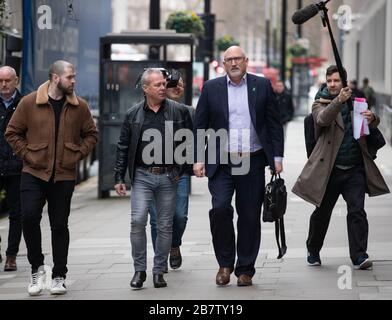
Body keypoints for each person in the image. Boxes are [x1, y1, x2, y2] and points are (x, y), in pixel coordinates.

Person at [193, 46, 284, 287]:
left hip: (252, 159)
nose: (233, 63)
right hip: (221, 161)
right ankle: (225, 264)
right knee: (220, 209)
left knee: (249, 215)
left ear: (245, 61)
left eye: (237, 59)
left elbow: (274, 123)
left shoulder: (261, 85)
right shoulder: (211, 88)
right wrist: (197, 158)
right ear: (224, 64)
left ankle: (245, 268)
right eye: (229, 60)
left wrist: (277, 157)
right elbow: (199, 124)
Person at [5, 60, 98, 296]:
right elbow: (12, 132)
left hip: (64, 175)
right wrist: (27, 155)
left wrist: (77, 153)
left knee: (59, 225)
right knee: (28, 218)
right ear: (56, 78)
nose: (74, 81)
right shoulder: (29, 103)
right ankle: (37, 269)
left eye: (74, 76)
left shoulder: (80, 107)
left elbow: (91, 134)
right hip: (33, 173)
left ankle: (59, 276)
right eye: (70, 77)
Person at [292, 65, 390, 270]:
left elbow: (368, 124)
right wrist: (339, 100)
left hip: (354, 167)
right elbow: (322, 119)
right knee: (322, 213)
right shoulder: (320, 102)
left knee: (357, 211)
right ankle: (313, 249)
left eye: (337, 80)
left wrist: (373, 119)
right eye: (330, 81)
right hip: (330, 169)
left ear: (344, 81)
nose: (333, 84)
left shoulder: (356, 101)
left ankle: (359, 255)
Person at [114, 68, 193, 289]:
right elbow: (123, 146)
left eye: (164, 83)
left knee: (166, 225)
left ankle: (159, 271)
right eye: (157, 84)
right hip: (142, 176)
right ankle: (139, 271)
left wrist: (181, 169)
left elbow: (190, 141)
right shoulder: (133, 114)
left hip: (169, 175)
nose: (163, 87)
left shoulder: (178, 111)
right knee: (138, 220)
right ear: (145, 88)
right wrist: (119, 176)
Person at [149, 77, 194, 271]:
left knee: (179, 215)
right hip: (151, 172)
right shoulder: (148, 111)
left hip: (179, 172)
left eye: (182, 85)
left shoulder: (189, 112)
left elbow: (197, 138)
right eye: (173, 84)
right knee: (156, 219)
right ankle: (160, 259)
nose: (178, 87)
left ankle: (174, 245)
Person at [0, 66, 23, 272]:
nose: (4, 85)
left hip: (17, 167)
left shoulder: (25, 103)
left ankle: (11, 255)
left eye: (8, 80)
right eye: (0, 81)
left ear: (16, 80)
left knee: (17, 213)